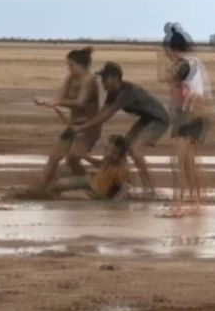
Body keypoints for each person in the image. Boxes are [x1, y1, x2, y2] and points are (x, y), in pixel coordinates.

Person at [71, 62, 169, 198]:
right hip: (146, 118)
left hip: (159, 119)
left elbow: (106, 116)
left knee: (136, 151)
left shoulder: (126, 92)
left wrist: (81, 128)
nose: (103, 83)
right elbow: (101, 114)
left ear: (115, 79)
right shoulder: (112, 93)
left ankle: (152, 190)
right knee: (124, 146)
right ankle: (122, 185)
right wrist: (85, 129)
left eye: (105, 79)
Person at [163, 23, 212, 216]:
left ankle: (178, 206)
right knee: (189, 162)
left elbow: (172, 83)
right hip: (196, 116)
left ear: (171, 49)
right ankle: (198, 200)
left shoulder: (184, 65)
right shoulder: (196, 63)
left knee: (178, 161)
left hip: (189, 116)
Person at [34, 47, 100, 188]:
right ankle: (40, 189)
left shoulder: (88, 80)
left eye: (71, 65)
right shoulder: (71, 78)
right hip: (73, 126)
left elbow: (80, 102)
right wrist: (46, 101)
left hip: (88, 127)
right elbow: (59, 96)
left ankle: (93, 184)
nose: (69, 69)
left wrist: (57, 102)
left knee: (73, 159)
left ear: (81, 65)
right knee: (54, 157)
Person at [50, 135, 130, 201]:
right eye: (107, 150)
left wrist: (113, 204)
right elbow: (100, 164)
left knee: (64, 195)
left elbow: (124, 189)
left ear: (121, 154)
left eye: (113, 152)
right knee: (59, 184)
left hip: (95, 195)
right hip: (90, 180)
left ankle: (51, 197)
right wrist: (85, 156)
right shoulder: (110, 158)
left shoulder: (122, 169)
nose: (108, 154)